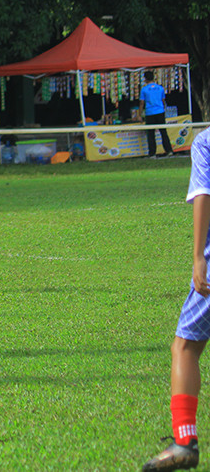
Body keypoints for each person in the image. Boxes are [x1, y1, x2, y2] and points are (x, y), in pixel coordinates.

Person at [142, 128, 210, 471]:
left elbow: (203, 195)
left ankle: (184, 442)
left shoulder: (206, 141)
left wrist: (198, 257)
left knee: (185, 346)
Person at [140, 71, 175, 158]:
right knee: (163, 132)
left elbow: (141, 103)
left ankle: (152, 153)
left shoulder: (144, 89)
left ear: (145, 79)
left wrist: (139, 114)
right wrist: (163, 109)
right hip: (160, 112)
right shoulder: (160, 88)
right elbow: (163, 100)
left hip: (150, 113)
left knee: (151, 134)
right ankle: (169, 150)